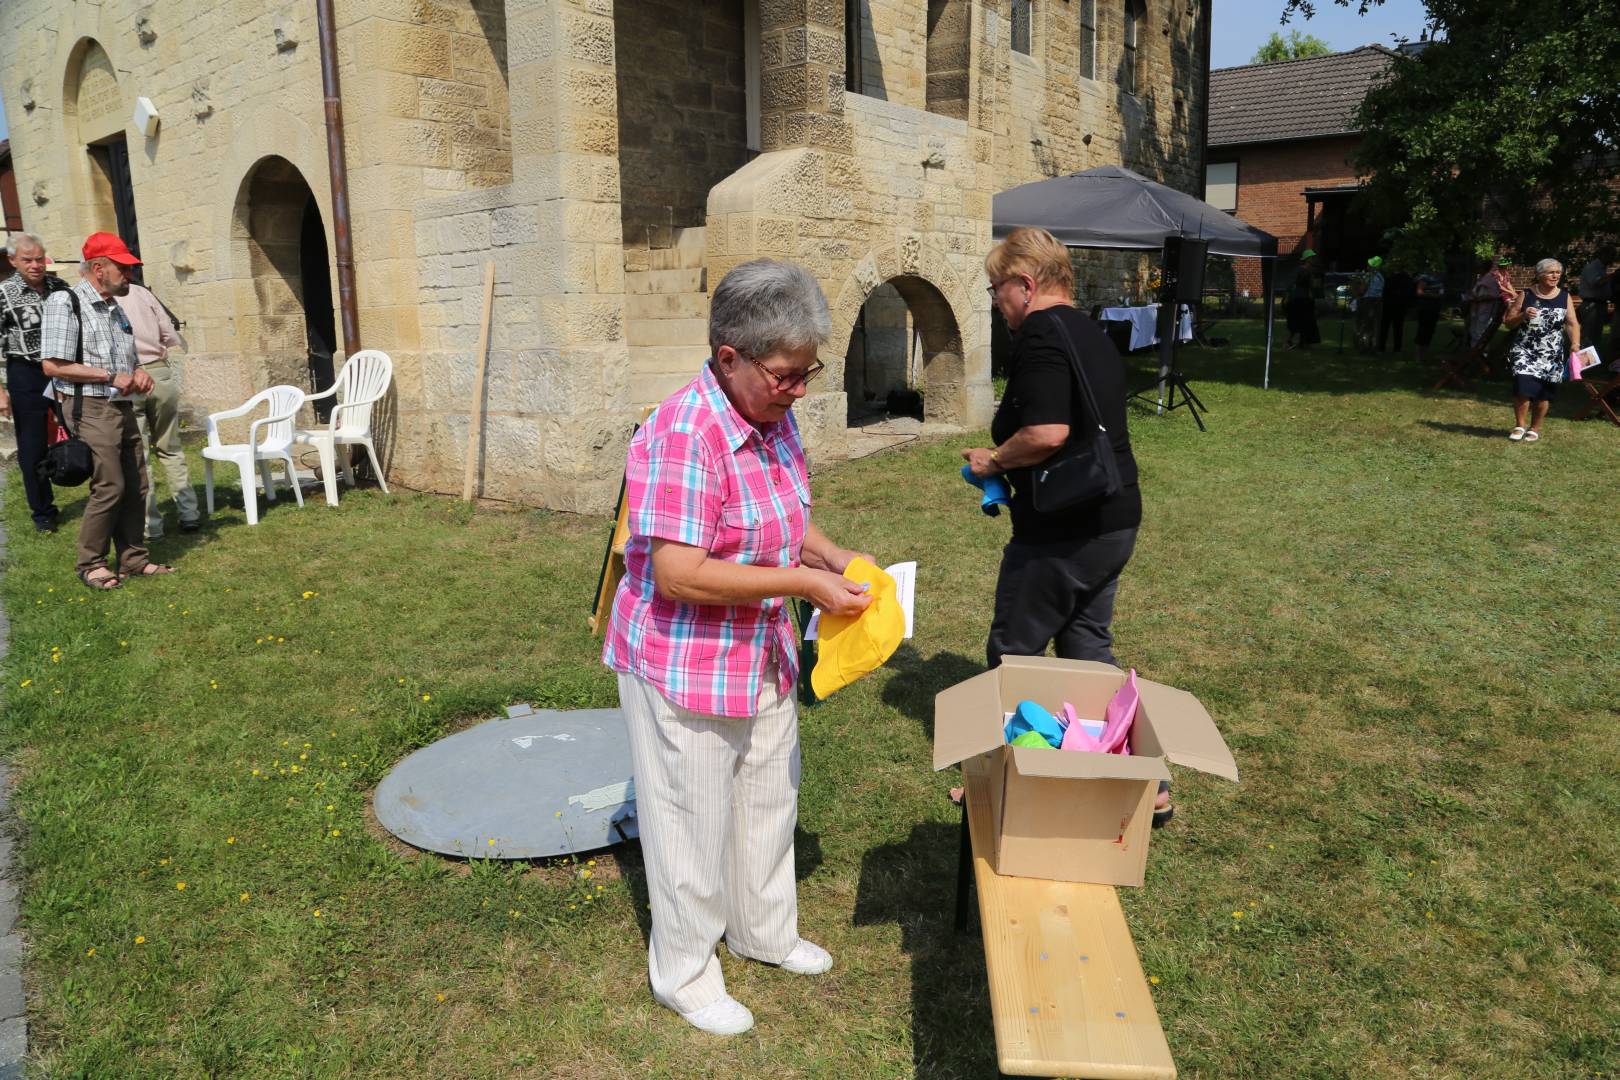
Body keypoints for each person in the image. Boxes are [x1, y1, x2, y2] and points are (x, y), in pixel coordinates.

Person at [601, 258, 874, 1037]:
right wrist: (800, 585)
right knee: (688, 816)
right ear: (730, 357)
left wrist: (835, 559)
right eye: (787, 375)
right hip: (682, 659)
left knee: (767, 793)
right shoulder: (684, 433)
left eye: (807, 371)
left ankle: (764, 932)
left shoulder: (771, 415)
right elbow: (678, 572)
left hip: (759, 651)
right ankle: (683, 973)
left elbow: (783, 515)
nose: (799, 390)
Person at [961, 227, 1164, 821]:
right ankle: (1141, 780)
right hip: (1114, 517)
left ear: (1025, 285)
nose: (997, 303)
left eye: (996, 290)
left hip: (1064, 531)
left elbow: (1048, 432)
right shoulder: (1090, 331)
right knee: (1084, 651)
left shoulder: (1041, 334)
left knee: (1014, 650)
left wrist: (993, 460)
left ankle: (1004, 780)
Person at [39, 234, 174, 589]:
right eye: (122, 267)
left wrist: (139, 372)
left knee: (137, 484)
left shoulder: (114, 307)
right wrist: (111, 376)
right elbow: (53, 365)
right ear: (98, 268)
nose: (128, 274)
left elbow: (128, 360)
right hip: (90, 406)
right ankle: (91, 562)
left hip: (121, 404)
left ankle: (133, 560)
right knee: (110, 485)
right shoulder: (64, 302)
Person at [118, 281, 201, 538]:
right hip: (159, 370)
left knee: (138, 455)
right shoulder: (142, 292)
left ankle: (150, 525)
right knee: (171, 447)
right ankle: (189, 513)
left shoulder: (104, 299)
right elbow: (168, 333)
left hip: (128, 375)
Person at [0, 234, 72, 532]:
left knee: (84, 429)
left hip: (66, 370)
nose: (35, 265)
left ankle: (99, 491)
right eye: (27, 259)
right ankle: (43, 512)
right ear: (13, 261)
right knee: (32, 446)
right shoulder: (4, 293)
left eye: (39, 258)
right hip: (26, 373)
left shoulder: (61, 288)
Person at [1501, 258, 1578, 442]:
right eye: (1550, 272)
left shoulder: (1564, 296)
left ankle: (1535, 427)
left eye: (1558, 272)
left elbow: (1572, 323)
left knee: (1544, 391)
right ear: (1539, 274)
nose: (1555, 276)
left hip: (1551, 352)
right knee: (1522, 384)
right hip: (1525, 348)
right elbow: (1508, 323)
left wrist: (1575, 343)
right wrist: (1522, 315)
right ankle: (1519, 425)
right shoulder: (1526, 294)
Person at [1468, 257, 1514, 348]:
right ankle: (1473, 353)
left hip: (1485, 311)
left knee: (1480, 333)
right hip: (1477, 309)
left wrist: (1479, 299)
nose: (1477, 268)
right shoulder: (1483, 277)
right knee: (1474, 332)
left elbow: (1494, 295)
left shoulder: (1490, 279)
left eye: (1479, 267)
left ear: (1483, 268)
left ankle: (1480, 354)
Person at [1575, 247, 1613, 357]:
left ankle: (1592, 361)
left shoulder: (1601, 268)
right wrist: (1614, 275)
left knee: (1596, 334)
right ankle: (1582, 363)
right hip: (1591, 305)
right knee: (1588, 334)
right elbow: (1596, 283)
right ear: (1603, 255)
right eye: (1610, 255)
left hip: (1600, 304)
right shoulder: (1592, 267)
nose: (1612, 259)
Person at [1284, 249, 1322, 350]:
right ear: (1307, 259)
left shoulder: (1311, 271)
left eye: (1313, 257)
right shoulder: (1299, 270)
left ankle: (1303, 343)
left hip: (1307, 299)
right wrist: (1288, 296)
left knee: (1307, 322)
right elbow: (1291, 283)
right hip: (1298, 299)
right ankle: (1288, 343)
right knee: (1295, 322)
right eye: (1312, 257)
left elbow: (1313, 286)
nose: (1313, 259)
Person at [1411, 269, 1446, 364]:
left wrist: (1439, 296)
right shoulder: (1425, 278)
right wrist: (1434, 295)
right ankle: (1418, 356)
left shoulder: (1439, 279)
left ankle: (1424, 355)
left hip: (1434, 309)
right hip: (1425, 309)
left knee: (1430, 332)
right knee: (1422, 331)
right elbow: (1419, 292)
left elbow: (1441, 294)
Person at [1378, 264, 1414, 353]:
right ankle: (1396, 347)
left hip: (1391, 304)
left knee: (1386, 327)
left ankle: (1382, 346)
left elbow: (1385, 291)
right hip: (1398, 305)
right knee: (1397, 327)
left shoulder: (1391, 278)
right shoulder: (1406, 278)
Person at [1353, 256, 1385, 353]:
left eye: (1369, 264)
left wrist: (1356, 286)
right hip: (1378, 302)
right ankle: (1374, 346)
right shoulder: (1381, 277)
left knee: (1365, 324)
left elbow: (1362, 290)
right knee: (1375, 325)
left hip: (1368, 302)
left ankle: (1363, 347)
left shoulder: (1368, 276)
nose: (1367, 266)